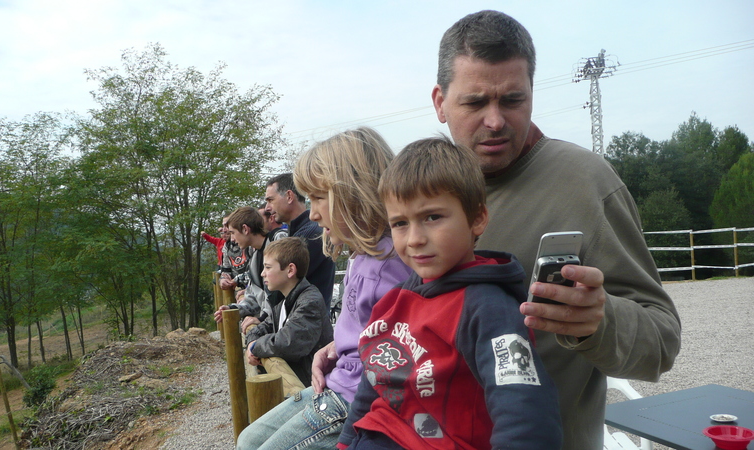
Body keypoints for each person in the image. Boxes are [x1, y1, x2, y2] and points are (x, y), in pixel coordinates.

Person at [430, 10, 681, 449]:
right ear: (440, 103)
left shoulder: (587, 183)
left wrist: (598, 321)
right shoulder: (420, 191)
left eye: (512, 100)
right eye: (475, 103)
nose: (495, 120)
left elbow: (661, 342)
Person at [339, 137, 562, 449]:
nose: (414, 239)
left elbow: (525, 408)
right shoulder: (391, 302)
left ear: (477, 219)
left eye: (432, 217)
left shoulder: (489, 309)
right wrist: (345, 442)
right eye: (400, 223)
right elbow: (372, 381)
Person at [236, 127, 412, 450]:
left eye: (319, 198)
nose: (314, 213)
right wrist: (334, 348)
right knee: (247, 440)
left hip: (351, 401)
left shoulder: (389, 265)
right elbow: (364, 331)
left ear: (353, 194)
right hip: (335, 381)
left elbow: (400, 357)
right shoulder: (362, 256)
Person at [244, 236, 334, 387]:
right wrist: (252, 342)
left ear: (290, 270)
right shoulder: (285, 301)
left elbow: (287, 343)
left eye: (268, 267)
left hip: (313, 389)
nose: (262, 273)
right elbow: (261, 328)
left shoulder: (309, 302)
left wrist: (255, 347)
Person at [264, 173, 336, 311]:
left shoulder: (310, 235)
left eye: (271, 200)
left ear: (289, 196)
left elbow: (276, 293)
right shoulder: (298, 232)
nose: (267, 208)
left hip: (307, 320)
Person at [214, 206, 274, 328]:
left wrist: (263, 319)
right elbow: (253, 296)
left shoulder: (276, 243)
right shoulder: (255, 259)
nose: (232, 239)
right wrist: (233, 308)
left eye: (233, 233)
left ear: (245, 229)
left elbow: (280, 295)